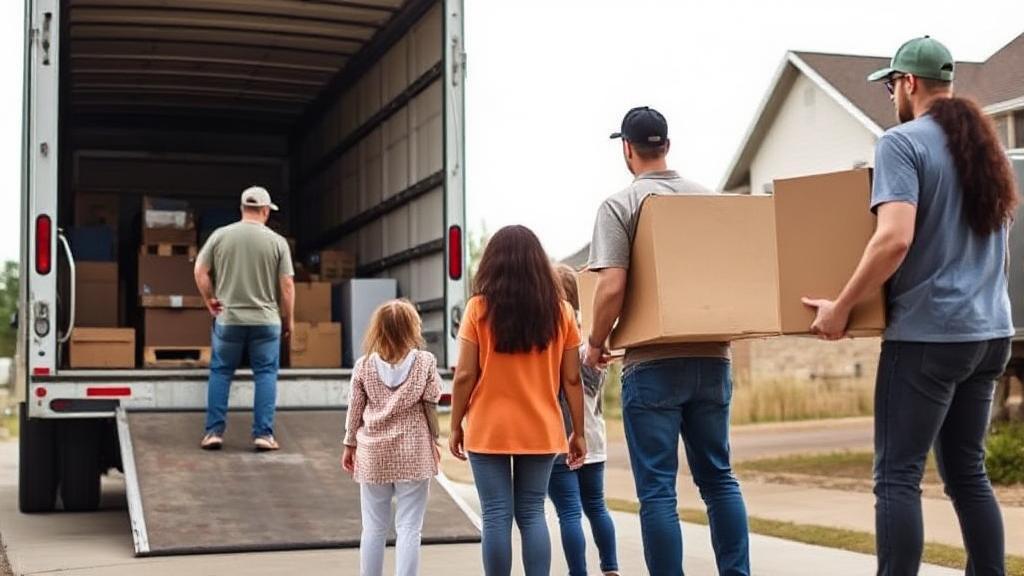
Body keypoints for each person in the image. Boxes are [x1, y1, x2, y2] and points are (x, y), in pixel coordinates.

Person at [804, 36, 1018, 576]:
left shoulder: (902, 143)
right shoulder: (985, 150)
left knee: (897, 475)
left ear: (908, 83)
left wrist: (842, 306)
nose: (889, 97)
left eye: (890, 85)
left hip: (928, 337)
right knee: (968, 472)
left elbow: (893, 238)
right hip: (990, 335)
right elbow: (1001, 247)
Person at [584, 106, 750, 576]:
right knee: (719, 479)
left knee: (658, 490)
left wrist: (597, 341)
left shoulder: (620, 206)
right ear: (668, 146)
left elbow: (612, 287)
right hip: (713, 356)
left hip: (653, 365)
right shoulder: (708, 199)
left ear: (627, 150)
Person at [448, 225, 587, 576]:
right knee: (532, 513)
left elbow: (464, 375)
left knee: (496, 514)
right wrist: (579, 432)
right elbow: (571, 378)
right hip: (540, 427)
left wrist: (454, 425)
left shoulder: (478, 309)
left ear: (492, 264)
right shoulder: (562, 313)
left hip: (488, 427)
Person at [342, 299, 442, 576]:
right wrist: (435, 440)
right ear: (413, 328)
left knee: (373, 527)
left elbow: (355, 409)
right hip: (413, 452)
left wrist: (349, 444)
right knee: (409, 527)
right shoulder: (425, 362)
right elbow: (431, 402)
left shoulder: (363, 366)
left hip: (373, 453)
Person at [195, 185, 294, 451]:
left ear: (241, 209)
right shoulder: (277, 242)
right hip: (266, 321)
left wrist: (210, 300)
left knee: (221, 372)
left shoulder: (220, 236)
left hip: (229, 319)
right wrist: (289, 319)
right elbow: (287, 286)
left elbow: (200, 270)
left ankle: (213, 432)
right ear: (264, 211)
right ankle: (263, 435)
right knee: (265, 374)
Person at [549, 264, 619, 576]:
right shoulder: (593, 336)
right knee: (597, 507)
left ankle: (578, 572)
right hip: (592, 437)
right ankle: (611, 568)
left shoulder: (552, 338)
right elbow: (591, 385)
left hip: (560, 440)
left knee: (568, 513)